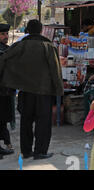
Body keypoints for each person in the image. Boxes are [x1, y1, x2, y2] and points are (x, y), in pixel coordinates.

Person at [0, 19, 64, 160]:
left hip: (25, 92)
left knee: (26, 122)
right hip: (44, 92)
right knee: (43, 123)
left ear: (27, 30)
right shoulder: (48, 47)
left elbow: (4, 59)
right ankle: (40, 151)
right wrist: (59, 91)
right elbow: (56, 71)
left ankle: (26, 151)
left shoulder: (19, 46)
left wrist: (9, 81)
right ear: (41, 30)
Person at [0, 24, 15, 159]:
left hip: (5, 91)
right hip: (2, 91)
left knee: (3, 120)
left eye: (6, 34)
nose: (6, 36)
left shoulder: (7, 50)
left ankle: (4, 144)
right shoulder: (3, 52)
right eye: (3, 34)